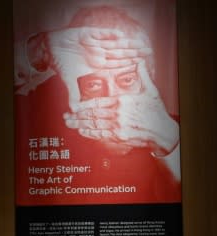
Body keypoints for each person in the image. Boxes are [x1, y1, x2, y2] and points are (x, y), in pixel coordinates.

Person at [14, 4, 180, 204]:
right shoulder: (38, 120)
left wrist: (169, 141)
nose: (113, 99)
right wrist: (39, 49)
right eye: (93, 83)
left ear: (150, 75)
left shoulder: (182, 133)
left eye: (127, 79)